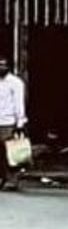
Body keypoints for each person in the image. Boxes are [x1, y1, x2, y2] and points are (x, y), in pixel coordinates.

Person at [0, 58, 28, 192]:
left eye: (3, 65)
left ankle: (12, 180)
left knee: (10, 153)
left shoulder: (15, 83)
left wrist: (20, 121)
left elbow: (19, 103)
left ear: (8, 67)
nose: (1, 67)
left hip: (8, 122)